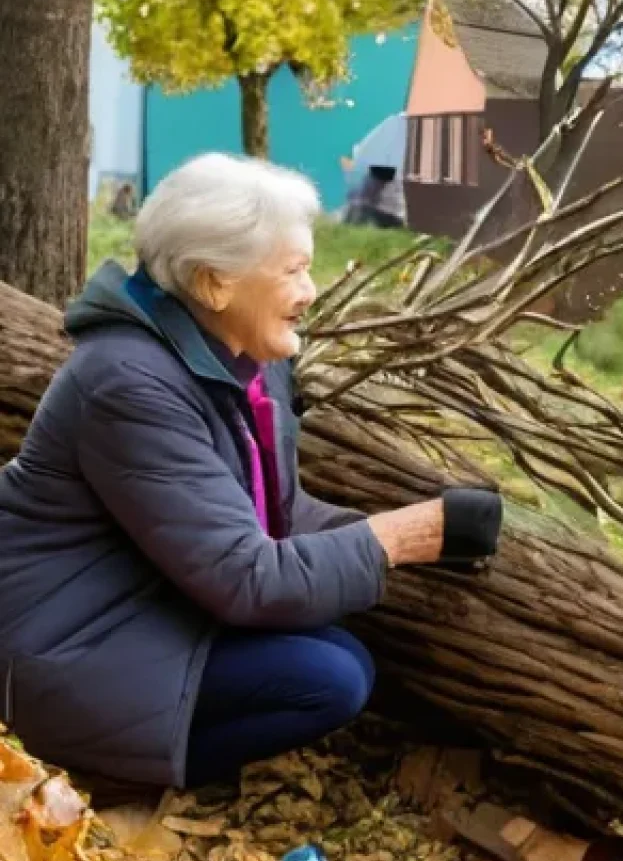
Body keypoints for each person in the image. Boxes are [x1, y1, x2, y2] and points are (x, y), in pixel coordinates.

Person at [0, 152, 502, 790]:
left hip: (146, 600)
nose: (310, 291)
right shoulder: (128, 381)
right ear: (214, 283)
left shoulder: (243, 360)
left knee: (340, 652)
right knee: (328, 680)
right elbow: (245, 578)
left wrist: (398, 535)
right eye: (293, 271)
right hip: (62, 638)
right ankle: (106, 779)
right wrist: (406, 537)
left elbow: (273, 511)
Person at [343, 165, 406, 229]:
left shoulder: (394, 182)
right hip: (389, 215)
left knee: (360, 207)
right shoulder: (369, 178)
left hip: (390, 216)